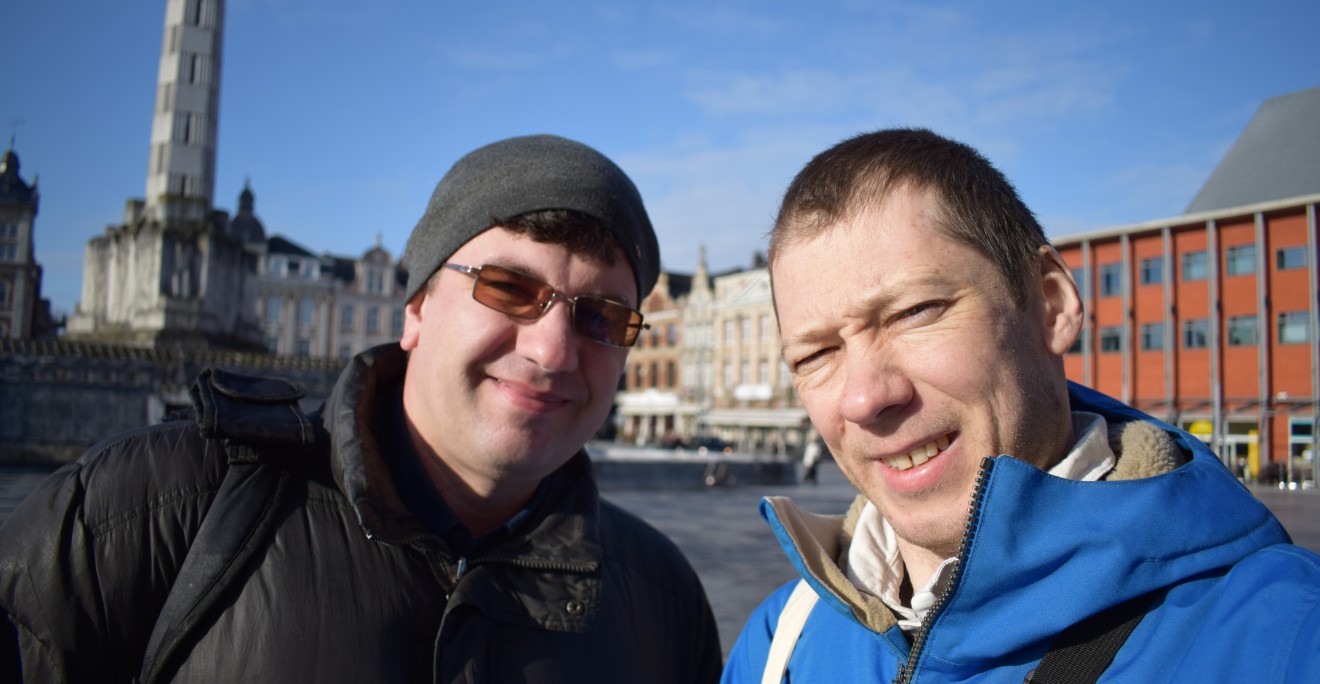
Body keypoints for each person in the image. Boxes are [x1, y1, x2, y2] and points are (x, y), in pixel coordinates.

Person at [0, 134, 723, 683]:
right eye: (508, 288)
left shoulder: (664, 602)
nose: (553, 350)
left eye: (602, 316)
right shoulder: (149, 514)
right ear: (415, 310)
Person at [722, 128, 1320, 682]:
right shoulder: (780, 646)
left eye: (914, 312)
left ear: (1052, 305)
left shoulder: (1284, 638)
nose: (863, 398)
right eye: (815, 354)